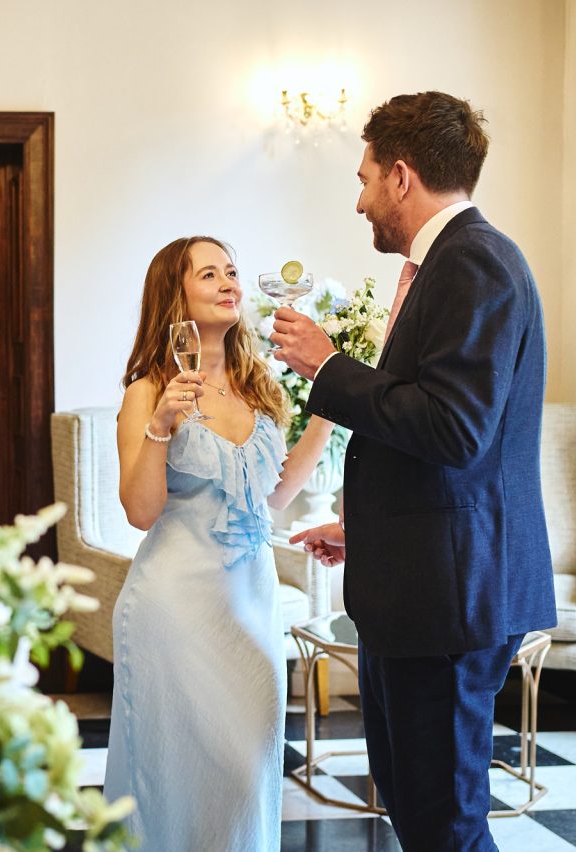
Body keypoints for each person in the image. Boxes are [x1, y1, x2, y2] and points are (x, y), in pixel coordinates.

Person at [272, 92, 557, 849]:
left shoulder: (475, 261)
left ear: (402, 177)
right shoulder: (448, 264)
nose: (360, 201)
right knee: (417, 806)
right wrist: (365, 530)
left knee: (445, 821)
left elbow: (455, 429)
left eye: (365, 179)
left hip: (450, 601)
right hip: (425, 581)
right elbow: (441, 434)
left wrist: (328, 366)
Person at [104, 236, 333, 851]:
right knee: (171, 779)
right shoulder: (148, 391)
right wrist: (159, 429)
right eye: (210, 274)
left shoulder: (261, 389)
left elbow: (275, 497)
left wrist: (332, 410)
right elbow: (140, 511)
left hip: (250, 609)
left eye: (231, 271)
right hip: (173, 611)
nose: (230, 282)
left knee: (248, 771)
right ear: (173, 295)